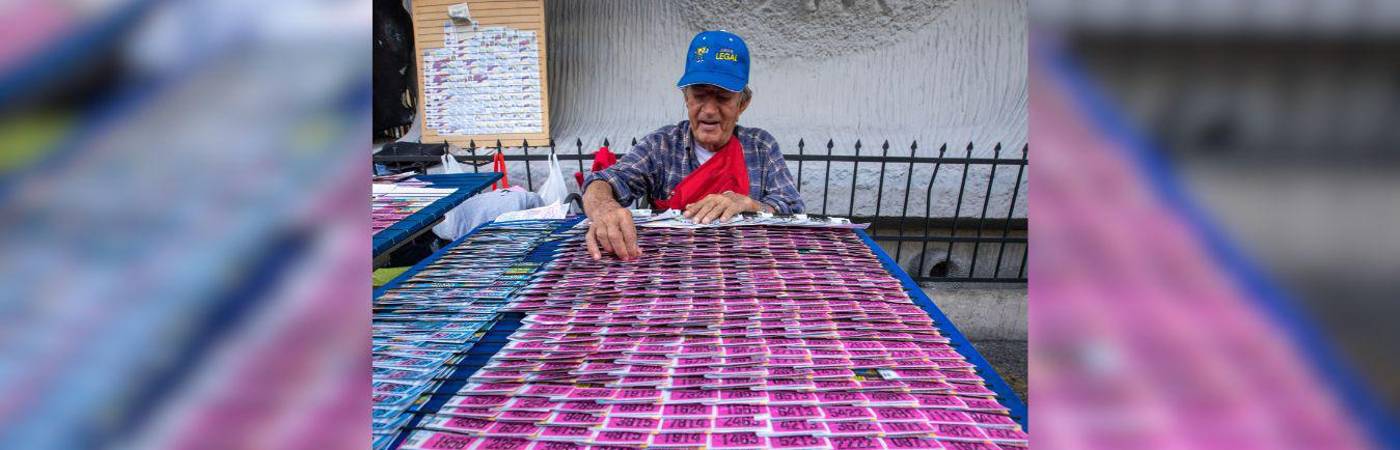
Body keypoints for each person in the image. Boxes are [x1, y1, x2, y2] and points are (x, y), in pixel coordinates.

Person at [581, 30, 804, 260]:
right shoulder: (662, 146)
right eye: (699, 96)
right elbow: (604, 181)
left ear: (742, 104)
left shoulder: (761, 147)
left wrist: (750, 205)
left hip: (745, 267)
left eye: (722, 97)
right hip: (671, 267)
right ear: (686, 98)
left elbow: (793, 208)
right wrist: (605, 208)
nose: (708, 110)